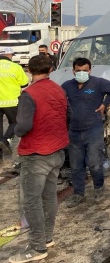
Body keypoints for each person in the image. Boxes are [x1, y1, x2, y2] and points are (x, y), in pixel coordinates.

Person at [9, 55, 68, 263]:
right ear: (51, 69)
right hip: (57, 150)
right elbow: (66, 115)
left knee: (32, 201)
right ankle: (47, 238)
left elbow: (23, 126)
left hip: (36, 153)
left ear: (29, 70)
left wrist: (14, 130)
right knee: (49, 196)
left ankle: (37, 247)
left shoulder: (29, 94)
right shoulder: (58, 89)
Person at [62, 58, 110, 208]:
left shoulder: (98, 83)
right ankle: (78, 194)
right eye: (78, 71)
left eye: (85, 70)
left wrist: (104, 104)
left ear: (90, 71)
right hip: (74, 131)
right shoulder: (67, 86)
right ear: (73, 71)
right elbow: (58, 99)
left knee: (95, 163)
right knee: (76, 165)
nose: (81, 73)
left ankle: (99, 187)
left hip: (93, 130)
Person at [0, 47, 29, 162]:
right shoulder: (15, 67)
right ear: (10, 55)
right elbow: (24, 83)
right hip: (11, 101)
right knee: (15, 122)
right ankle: (5, 140)